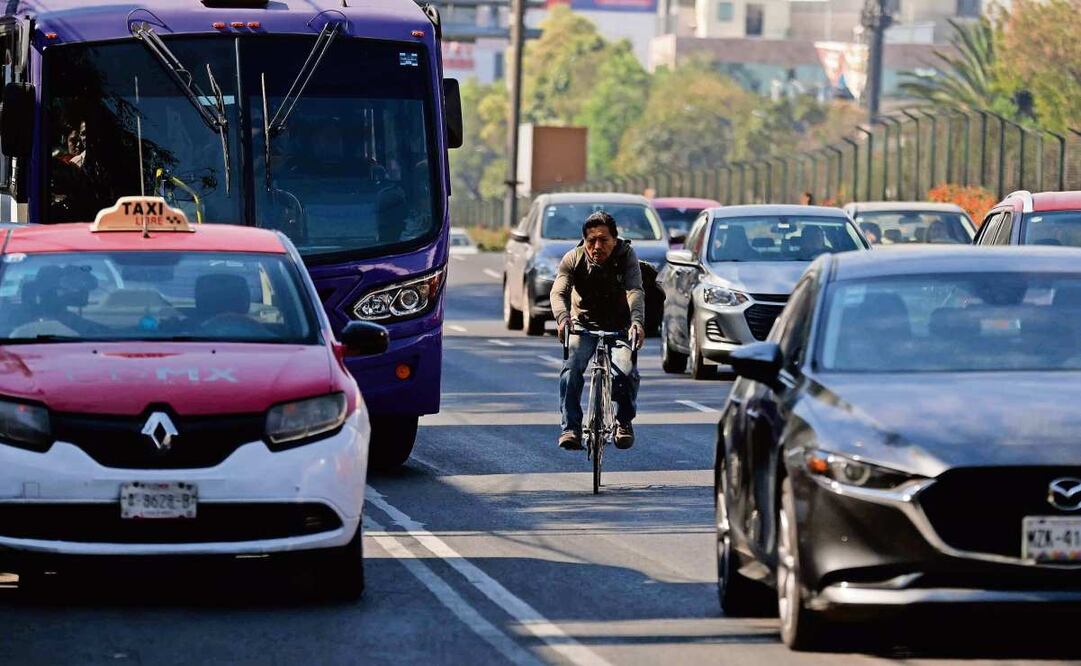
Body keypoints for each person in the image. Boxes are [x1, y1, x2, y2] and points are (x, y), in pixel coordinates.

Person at [551, 211, 645, 451]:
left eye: (603, 240)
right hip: (583, 326)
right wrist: (563, 319)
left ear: (615, 239)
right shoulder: (574, 258)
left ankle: (623, 422)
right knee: (571, 369)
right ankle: (570, 428)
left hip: (619, 327)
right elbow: (559, 292)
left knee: (624, 372)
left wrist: (637, 322)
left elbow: (635, 290)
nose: (597, 246)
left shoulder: (626, 256)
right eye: (591, 240)